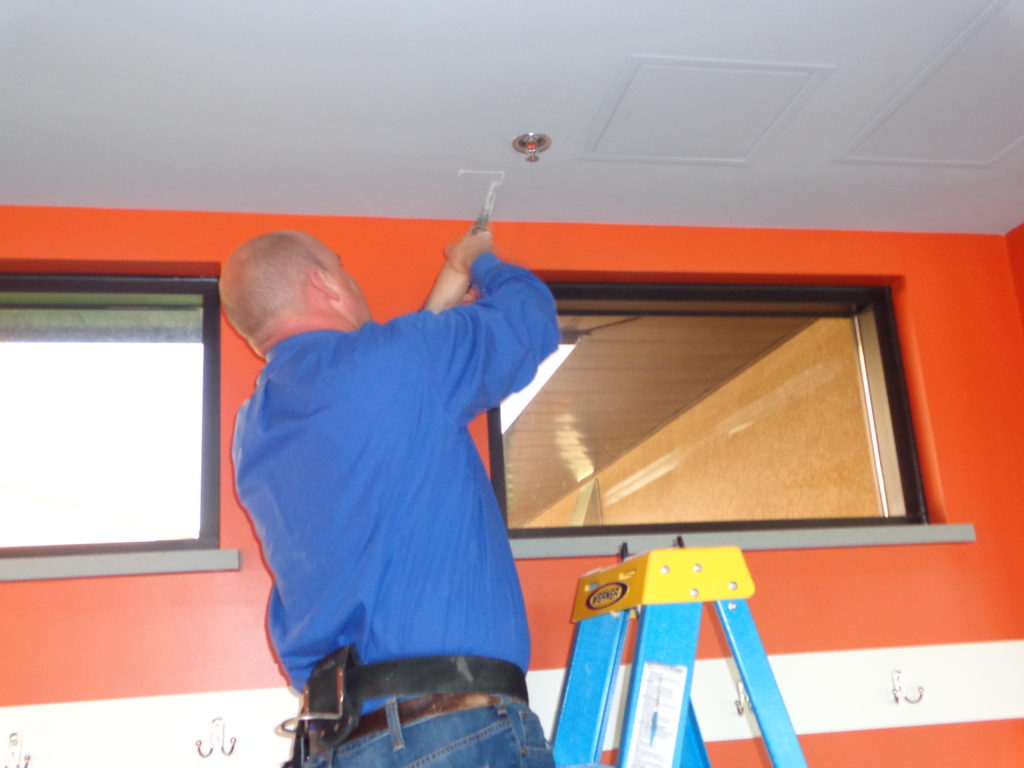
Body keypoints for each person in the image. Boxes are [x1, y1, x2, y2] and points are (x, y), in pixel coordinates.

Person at [220, 226, 559, 768]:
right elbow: (530, 321)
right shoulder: (397, 364)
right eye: (342, 266)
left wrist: (438, 312)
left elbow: (389, 408)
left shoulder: (252, 429)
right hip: (453, 732)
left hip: (337, 744)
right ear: (325, 283)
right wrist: (482, 260)